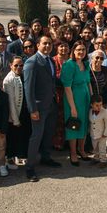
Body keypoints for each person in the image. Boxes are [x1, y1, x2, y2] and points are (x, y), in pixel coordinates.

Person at [23, 36, 63, 182]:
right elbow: (28, 88)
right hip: (38, 107)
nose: (47, 46)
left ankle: (45, 157)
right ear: (38, 45)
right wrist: (32, 109)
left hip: (51, 104)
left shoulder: (50, 60)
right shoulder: (32, 62)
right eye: (44, 43)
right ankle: (30, 167)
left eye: (49, 43)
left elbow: (52, 81)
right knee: (36, 136)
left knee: (48, 133)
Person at [61, 41, 91, 166]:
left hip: (85, 97)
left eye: (83, 49)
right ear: (73, 51)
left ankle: (82, 150)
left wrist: (93, 98)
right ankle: (73, 153)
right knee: (74, 125)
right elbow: (67, 88)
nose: (81, 52)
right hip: (73, 98)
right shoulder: (69, 65)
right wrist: (72, 107)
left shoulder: (86, 64)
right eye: (78, 49)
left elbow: (88, 82)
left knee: (84, 124)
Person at [3, 56, 30, 169]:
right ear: (10, 65)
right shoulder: (8, 79)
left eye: (21, 65)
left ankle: (21, 156)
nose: (19, 67)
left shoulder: (23, 75)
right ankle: (10, 159)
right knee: (13, 137)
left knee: (23, 136)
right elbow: (11, 102)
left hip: (24, 110)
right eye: (16, 65)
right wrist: (15, 119)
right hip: (15, 113)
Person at [88, 94, 107, 168]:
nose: (99, 107)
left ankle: (103, 160)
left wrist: (105, 133)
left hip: (102, 134)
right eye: (97, 105)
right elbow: (91, 122)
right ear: (92, 105)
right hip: (93, 134)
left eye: (100, 105)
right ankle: (96, 158)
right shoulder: (90, 111)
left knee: (102, 147)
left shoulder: (104, 112)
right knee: (95, 147)